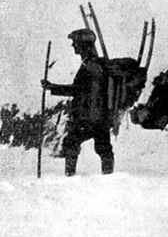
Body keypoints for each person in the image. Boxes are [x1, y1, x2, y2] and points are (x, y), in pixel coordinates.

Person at [41, 28, 115, 176]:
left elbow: (79, 89)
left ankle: (71, 177)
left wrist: (53, 87)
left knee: (72, 142)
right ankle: (109, 177)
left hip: (90, 116)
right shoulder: (93, 63)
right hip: (100, 117)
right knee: (102, 146)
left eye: (75, 43)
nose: (73, 46)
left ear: (84, 45)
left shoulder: (91, 66)